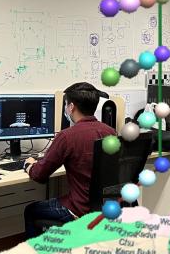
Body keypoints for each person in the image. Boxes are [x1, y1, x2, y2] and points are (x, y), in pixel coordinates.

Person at [23, 82, 116, 238]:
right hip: (105, 208)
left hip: (78, 209)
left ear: (71, 107)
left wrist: (29, 165)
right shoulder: (111, 132)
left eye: (66, 105)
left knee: (31, 210)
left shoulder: (67, 136)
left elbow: (40, 175)